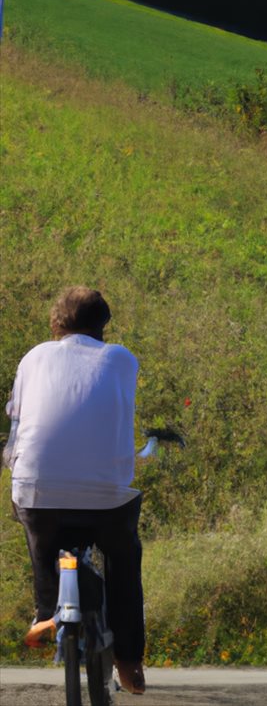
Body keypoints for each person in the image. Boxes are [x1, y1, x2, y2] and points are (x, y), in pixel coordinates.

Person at [4, 287, 146, 695]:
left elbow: (17, 425)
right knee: (123, 558)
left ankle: (46, 610)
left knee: (37, 528)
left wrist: (15, 460)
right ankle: (128, 661)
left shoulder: (33, 357)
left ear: (56, 323)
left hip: (38, 487)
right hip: (107, 496)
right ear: (103, 325)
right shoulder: (122, 359)